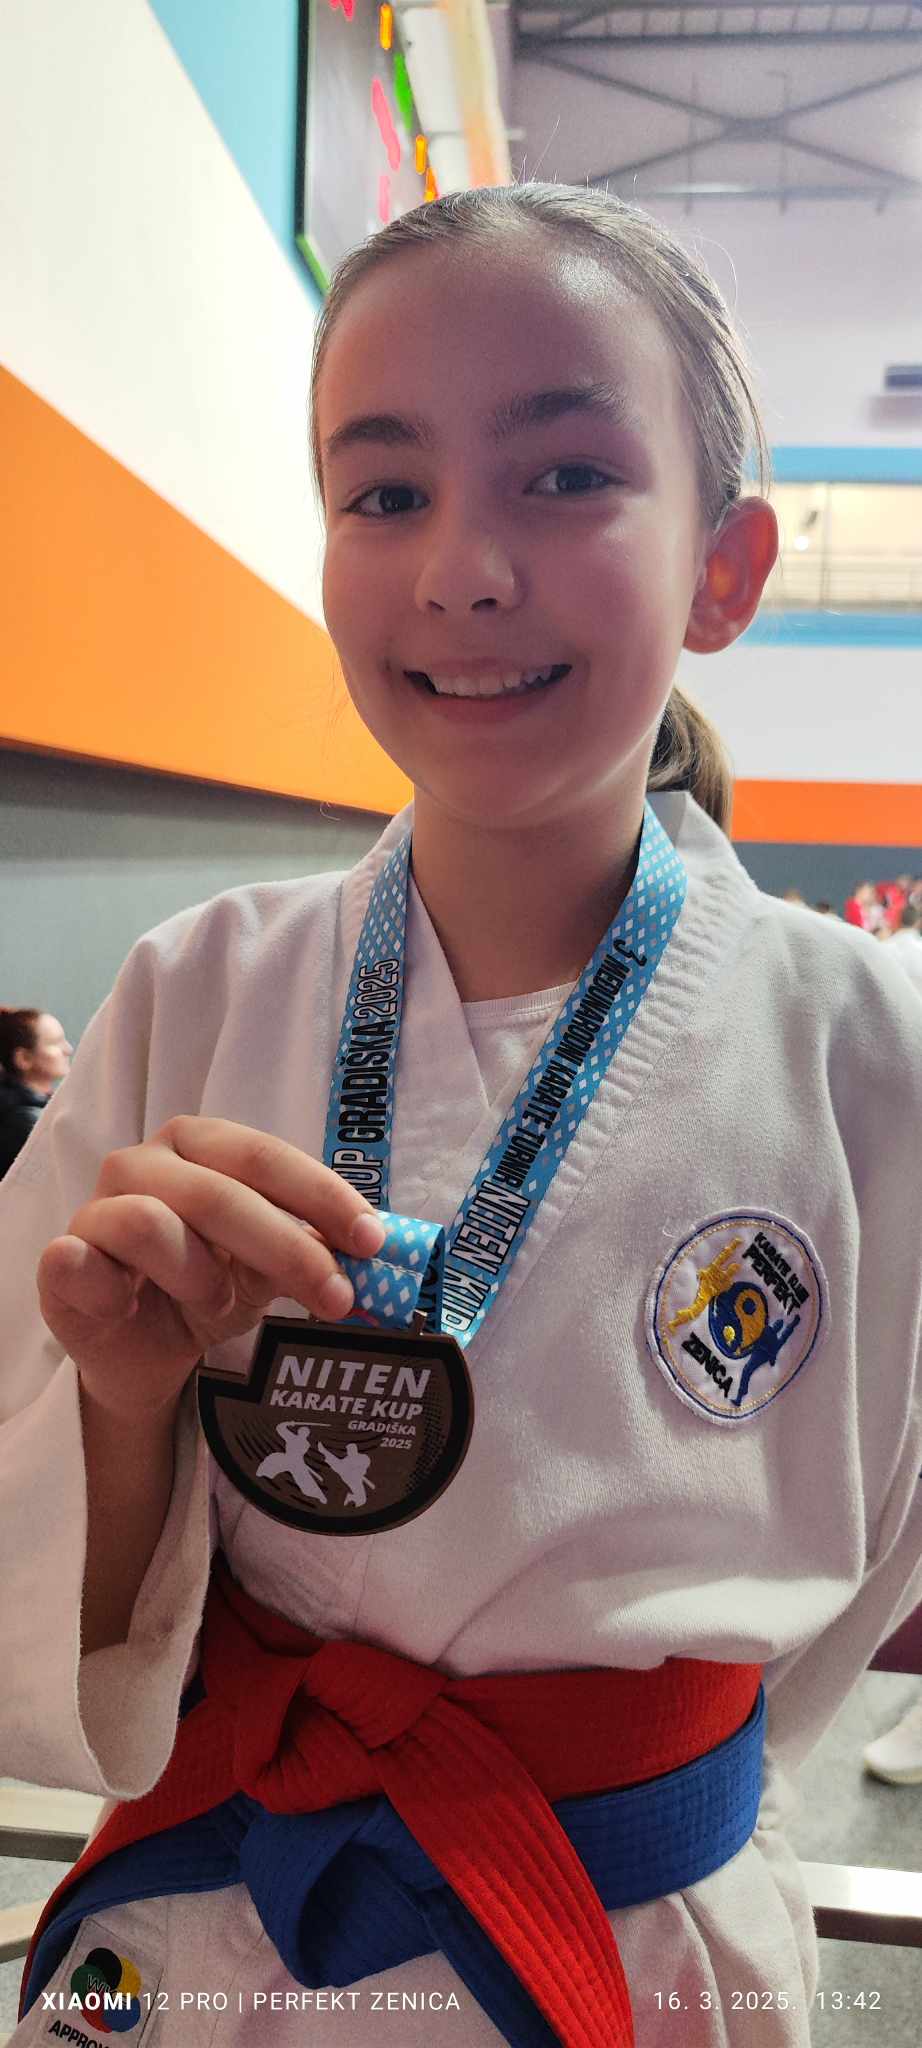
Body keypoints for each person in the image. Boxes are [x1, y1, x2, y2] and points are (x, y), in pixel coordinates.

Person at [2, 182, 922, 2048]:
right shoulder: (197, 988)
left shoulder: (869, 1049)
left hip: (622, 1937)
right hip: (216, 1912)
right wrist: (121, 1399)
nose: (462, 569)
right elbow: (44, 1590)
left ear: (725, 566)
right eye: (383, 491)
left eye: (565, 476)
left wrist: (644, 1768)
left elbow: (870, 1550)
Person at [0, 1007, 72, 1179]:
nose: (68, 1049)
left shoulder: (41, 1111)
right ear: (24, 1058)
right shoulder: (26, 1121)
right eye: (55, 1043)